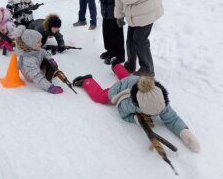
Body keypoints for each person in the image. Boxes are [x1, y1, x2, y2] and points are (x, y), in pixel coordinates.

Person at [72, 63, 200, 153]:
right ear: (140, 106)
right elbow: (123, 113)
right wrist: (136, 119)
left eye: (158, 112)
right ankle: (86, 80)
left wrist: (184, 132)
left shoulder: (160, 100)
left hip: (136, 81)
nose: (157, 115)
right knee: (100, 97)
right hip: (122, 88)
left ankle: (116, 65)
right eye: (152, 113)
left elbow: (172, 118)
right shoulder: (131, 103)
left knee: (128, 77)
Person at [11, 26, 64, 94]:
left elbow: (44, 53)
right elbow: (36, 76)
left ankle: (50, 71)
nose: (41, 43)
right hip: (30, 75)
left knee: (48, 63)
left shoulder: (35, 49)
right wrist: (50, 87)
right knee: (44, 70)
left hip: (36, 65)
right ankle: (48, 76)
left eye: (40, 41)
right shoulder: (29, 60)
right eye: (38, 42)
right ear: (30, 44)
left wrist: (50, 59)